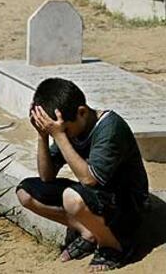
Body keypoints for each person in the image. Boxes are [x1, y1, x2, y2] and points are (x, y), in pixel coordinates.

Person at [16, 78, 149, 272]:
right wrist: (43, 136)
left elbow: (89, 179)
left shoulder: (110, 127)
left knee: (73, 198)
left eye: (65, 130)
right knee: (26, 192)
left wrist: (60, 136)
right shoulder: (68, 129)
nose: (64, 135)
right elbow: (47, 177)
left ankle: (114, 247)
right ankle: (88, 232)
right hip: (99, 197)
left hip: (127, 201)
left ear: (82, 112)